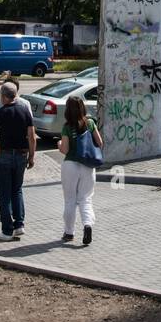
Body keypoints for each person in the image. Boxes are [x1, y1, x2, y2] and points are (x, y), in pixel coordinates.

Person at [0, 81, 35, 241]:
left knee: (4, 194)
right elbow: (31, 136)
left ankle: (6, 230)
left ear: (3, 96)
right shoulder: (25, 111)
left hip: (3, 156)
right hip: (21, 155)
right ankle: (19, 225)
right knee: (17, 190)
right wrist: (31, 156)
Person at [59, 95, 102, 245]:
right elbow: (100, 142)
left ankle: (69, 233)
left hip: (70, 164)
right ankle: (88, 225)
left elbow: (65, 149)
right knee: (85, 199)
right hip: (88, 166)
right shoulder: (90, 123)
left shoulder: (67, 126)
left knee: (70, 200)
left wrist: (59, 144)